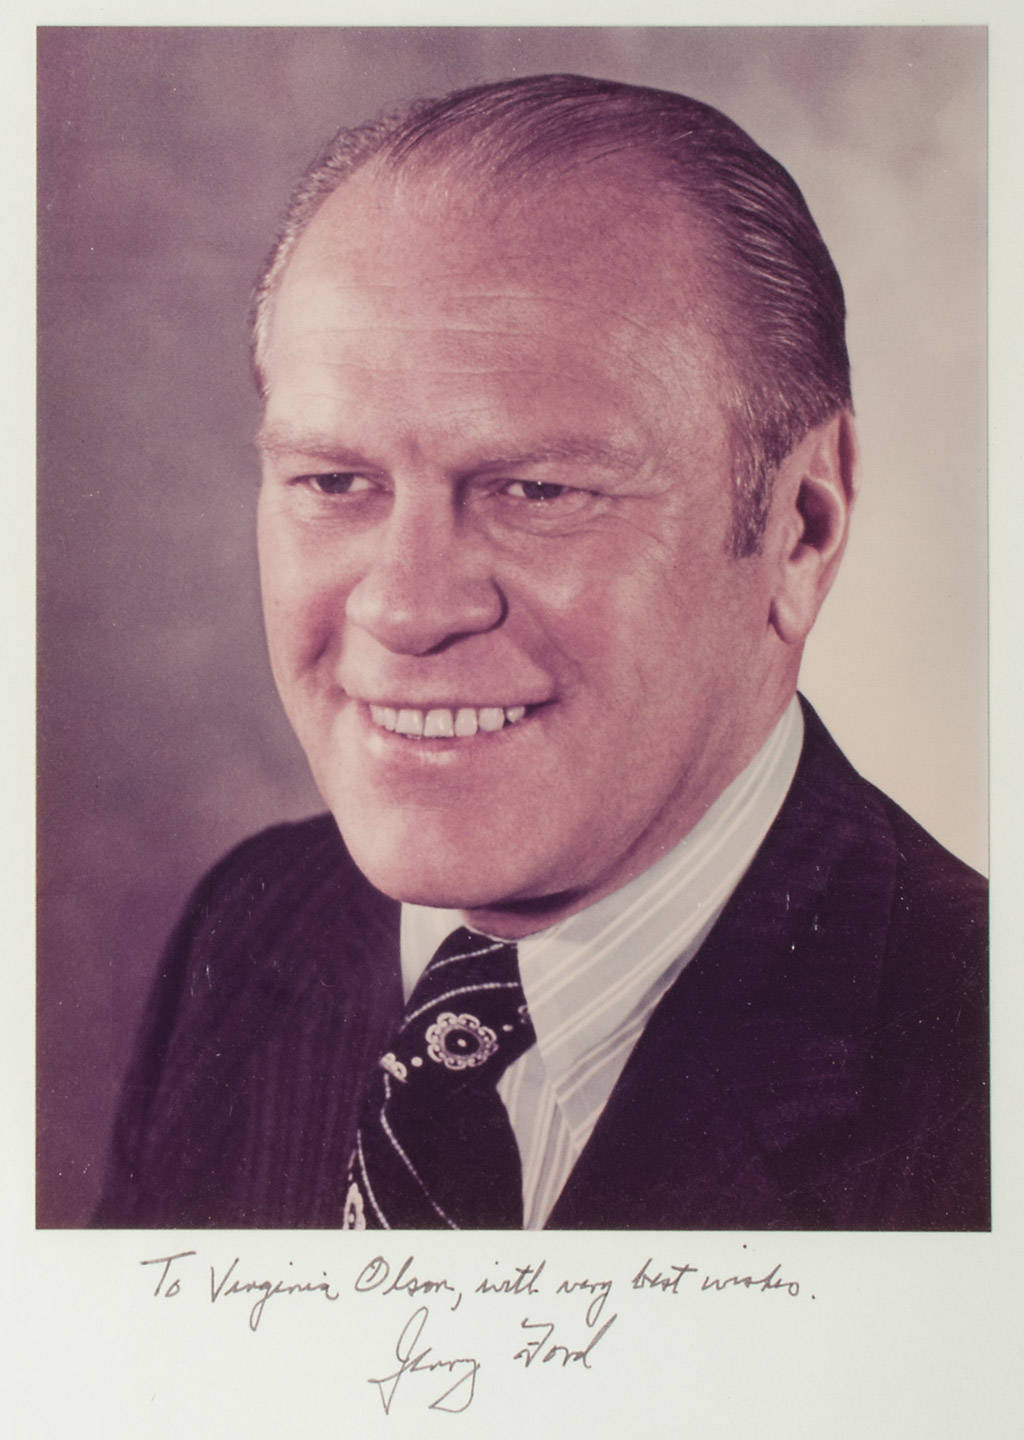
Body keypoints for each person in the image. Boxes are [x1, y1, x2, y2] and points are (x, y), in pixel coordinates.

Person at [95, 74, 988, 1231]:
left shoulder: (977, 1062)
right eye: (333, 482)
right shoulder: (252, 925)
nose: (407, 611)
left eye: (536, 488)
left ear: (800, 527)